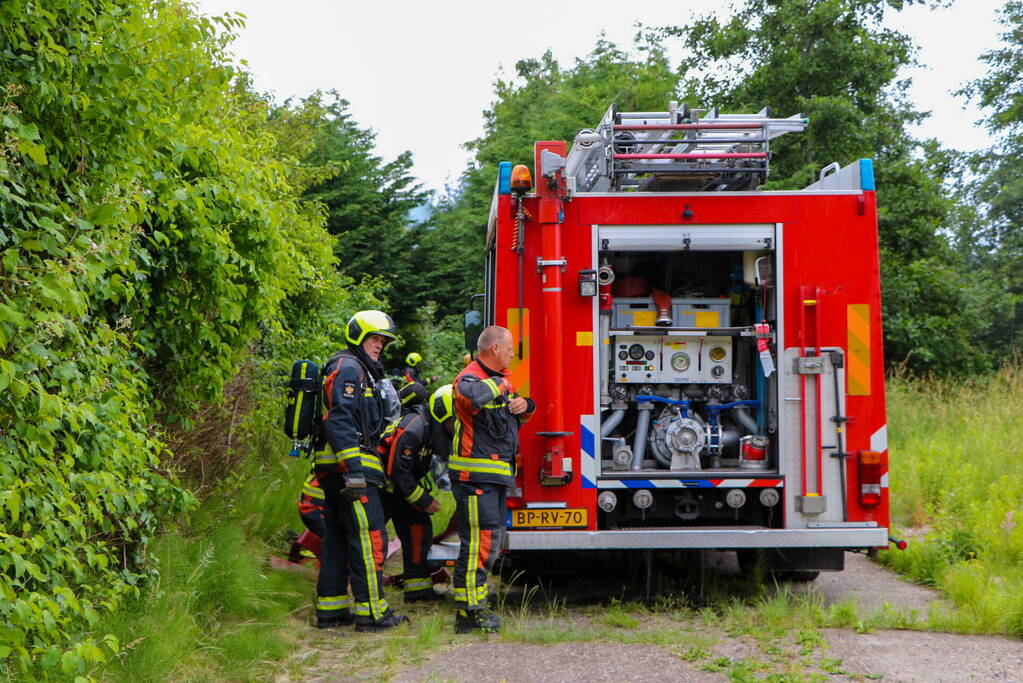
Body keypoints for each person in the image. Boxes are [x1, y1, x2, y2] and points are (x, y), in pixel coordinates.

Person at [312, 310, 409, 631]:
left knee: (338, 540)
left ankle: (332, 610)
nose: (379, 345)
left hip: (338, 468)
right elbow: (339, 418)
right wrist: (353, 469)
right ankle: (373, 613)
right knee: (370, 537)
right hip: (349, 470)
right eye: (374, 339)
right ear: (358, 337)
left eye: (382, 341)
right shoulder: (349, 368)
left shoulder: (358, 369)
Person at [450, 325, 535, 633]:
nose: (513, 354)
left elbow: (518, 416)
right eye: (509, 349)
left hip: (495, 478)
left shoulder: (501, 381)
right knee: (477, 544)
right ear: (495, 348)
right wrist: (501, 384)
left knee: (492, 543)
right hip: (475, 478)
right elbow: (472, 399)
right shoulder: (469, 378)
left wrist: (525, 405)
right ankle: (468, 614)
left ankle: (478, 604)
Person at [380, 382, 457, 602]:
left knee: (419, 532)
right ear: (442, 413)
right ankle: (367, 594)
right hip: (380, 489)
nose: (456, 426)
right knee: (374, 540)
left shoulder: (431, 430)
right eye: (455, 420)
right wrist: (424, 500)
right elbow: (397, 472)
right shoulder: (414, 427)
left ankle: (418, 592)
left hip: (401, 489)